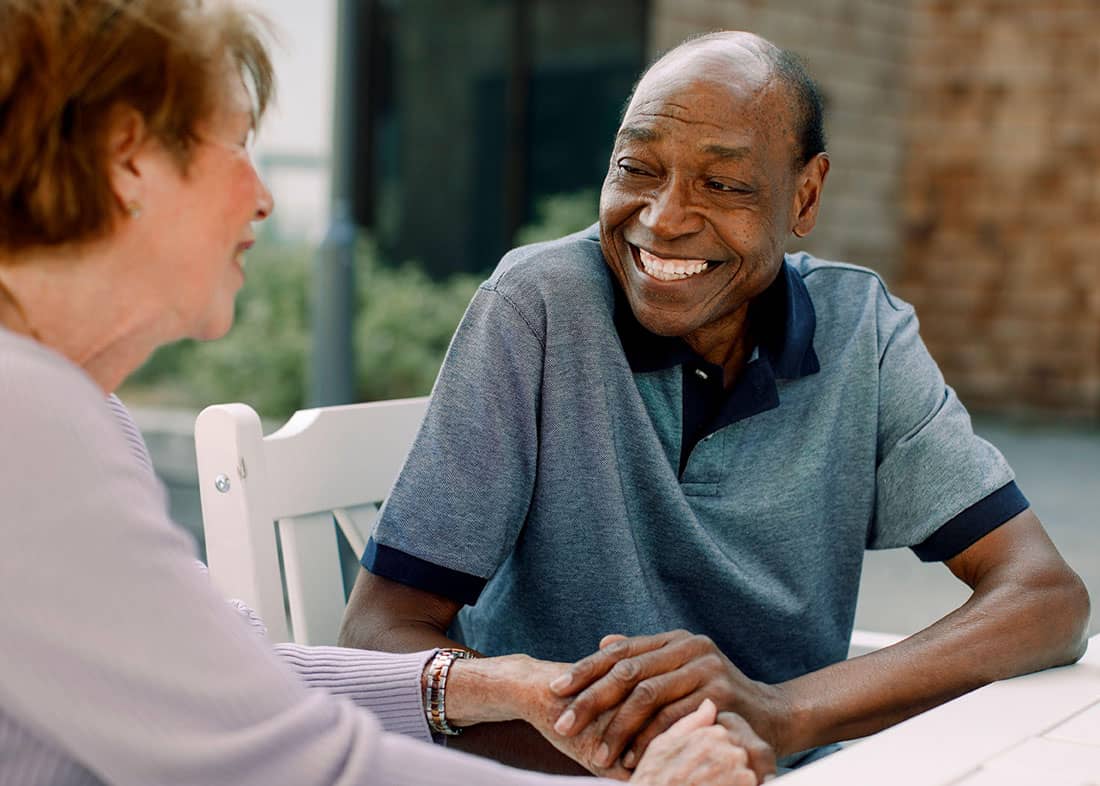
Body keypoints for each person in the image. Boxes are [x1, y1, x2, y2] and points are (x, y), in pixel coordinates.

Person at [0, 3, 772, 784]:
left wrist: (502, 685)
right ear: (129, 159)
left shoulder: (80, 408)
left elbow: (209, 674)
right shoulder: (26, 423)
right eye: (236, 145)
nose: (262, 197)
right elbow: (292, 764)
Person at [340, 29, 1092, 775]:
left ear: (805, 195)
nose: (664, 218)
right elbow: (378, 633)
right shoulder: (537, 308)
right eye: (638, 168)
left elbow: (1044, 598)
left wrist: (782, 714)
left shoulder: (864, 332)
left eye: (723, 184)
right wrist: (650, 752)